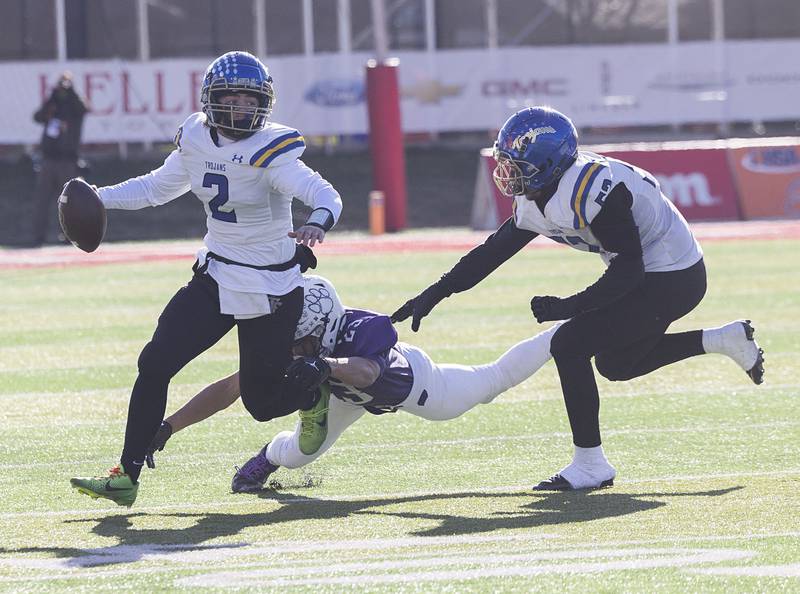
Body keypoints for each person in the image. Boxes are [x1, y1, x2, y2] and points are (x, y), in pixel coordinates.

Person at [390, 106, 765, 491]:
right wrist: (436, 291)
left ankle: (591, 465)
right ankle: (723, 339)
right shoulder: (541, 192)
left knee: (570, 344)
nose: (507, 172)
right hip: (650, 272)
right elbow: (495, 250)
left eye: (516, 164)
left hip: (674, 274)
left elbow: (627, 271)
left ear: (549, 164)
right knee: (616, 364)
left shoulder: (591, 190)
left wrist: (567, 307)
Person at [70, 51, 343, 507]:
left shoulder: (272, 149)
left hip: (271, 287)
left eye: (248, 99)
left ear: (264, 103)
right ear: (211, 100)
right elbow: (157, 187)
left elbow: (323, 192)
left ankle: (311, 390)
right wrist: (101, 198)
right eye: (230, 98)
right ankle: (127, 474)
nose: (240, 108)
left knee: (261, 403)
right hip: (216, 275)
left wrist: (318, 219)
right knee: (154, 363)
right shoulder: (195, 136)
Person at [144, 275, 562, 492]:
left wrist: (323, 364)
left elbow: (368, 373)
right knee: (300, 453)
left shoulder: (363, 329)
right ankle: (267, 457)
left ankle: (560, 334)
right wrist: (168, 425)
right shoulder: (301, 344)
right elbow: (233, 386)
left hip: (409, 384)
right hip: (338, 393)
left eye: (298, 340)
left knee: (491, 383)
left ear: (321, 328)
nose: (290, 348)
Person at [31, 71, 88, 246]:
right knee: (42, 200)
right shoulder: (52, 105)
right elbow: (37, 117)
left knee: (69, 202)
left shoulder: (74, 106)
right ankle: (38, 237)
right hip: (49, 160)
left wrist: (71, 93)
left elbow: (83, 109)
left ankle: (68, 236)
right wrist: (52, 98)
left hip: (67, 161)